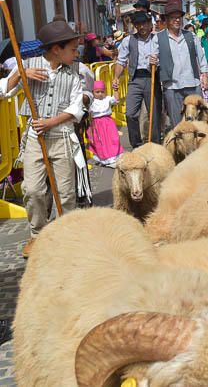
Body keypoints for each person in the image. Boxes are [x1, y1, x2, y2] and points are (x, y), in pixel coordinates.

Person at [0, 20, 86, 257]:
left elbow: (77, 107)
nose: (76, 53)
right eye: (72, 48)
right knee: (33, 189)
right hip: (34, 139)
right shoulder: (27, 65)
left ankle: (65, 233)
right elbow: (4, 89)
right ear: (56, 49)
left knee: (66, 191)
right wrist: (20, 74)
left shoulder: (75, 72)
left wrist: (52, 121)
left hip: (61, 136)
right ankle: (37, 235)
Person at [154, 4, 208, 126]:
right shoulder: (158, 38)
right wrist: (152, 61)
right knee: (177, 122)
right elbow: (153, 60)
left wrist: (204, 75)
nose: (177, 20)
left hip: (192, 83)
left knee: (199, 120)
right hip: (172, 85)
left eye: (179, 17)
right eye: (173, 17)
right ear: (167, 20)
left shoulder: (191, 36)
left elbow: (201, 56)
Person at [113, 11, 161, 148]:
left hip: (152, 77)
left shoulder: (157, 39)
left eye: (144, 24)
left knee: (154, 114)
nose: (142, 27)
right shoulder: (128, 40)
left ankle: (155, 145)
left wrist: (157, 62)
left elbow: (166, 59)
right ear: (135, 26)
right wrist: (116, 77)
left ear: (150, 25)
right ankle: (137, 144)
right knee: (130, 113)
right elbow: (121, 61)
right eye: (138, 24)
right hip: (135, 79)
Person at [87, 80, 124, 167]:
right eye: (97, 92)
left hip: (108, 122)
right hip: (96, 124)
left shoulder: (107, 99)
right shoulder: (91, 101)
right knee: (100, 141)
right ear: (93, 92)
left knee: (113, 139)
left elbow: (116, 100)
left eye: (102, 92)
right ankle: (104, 159)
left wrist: (115, 90)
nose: (100, 94)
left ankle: (115, 156)